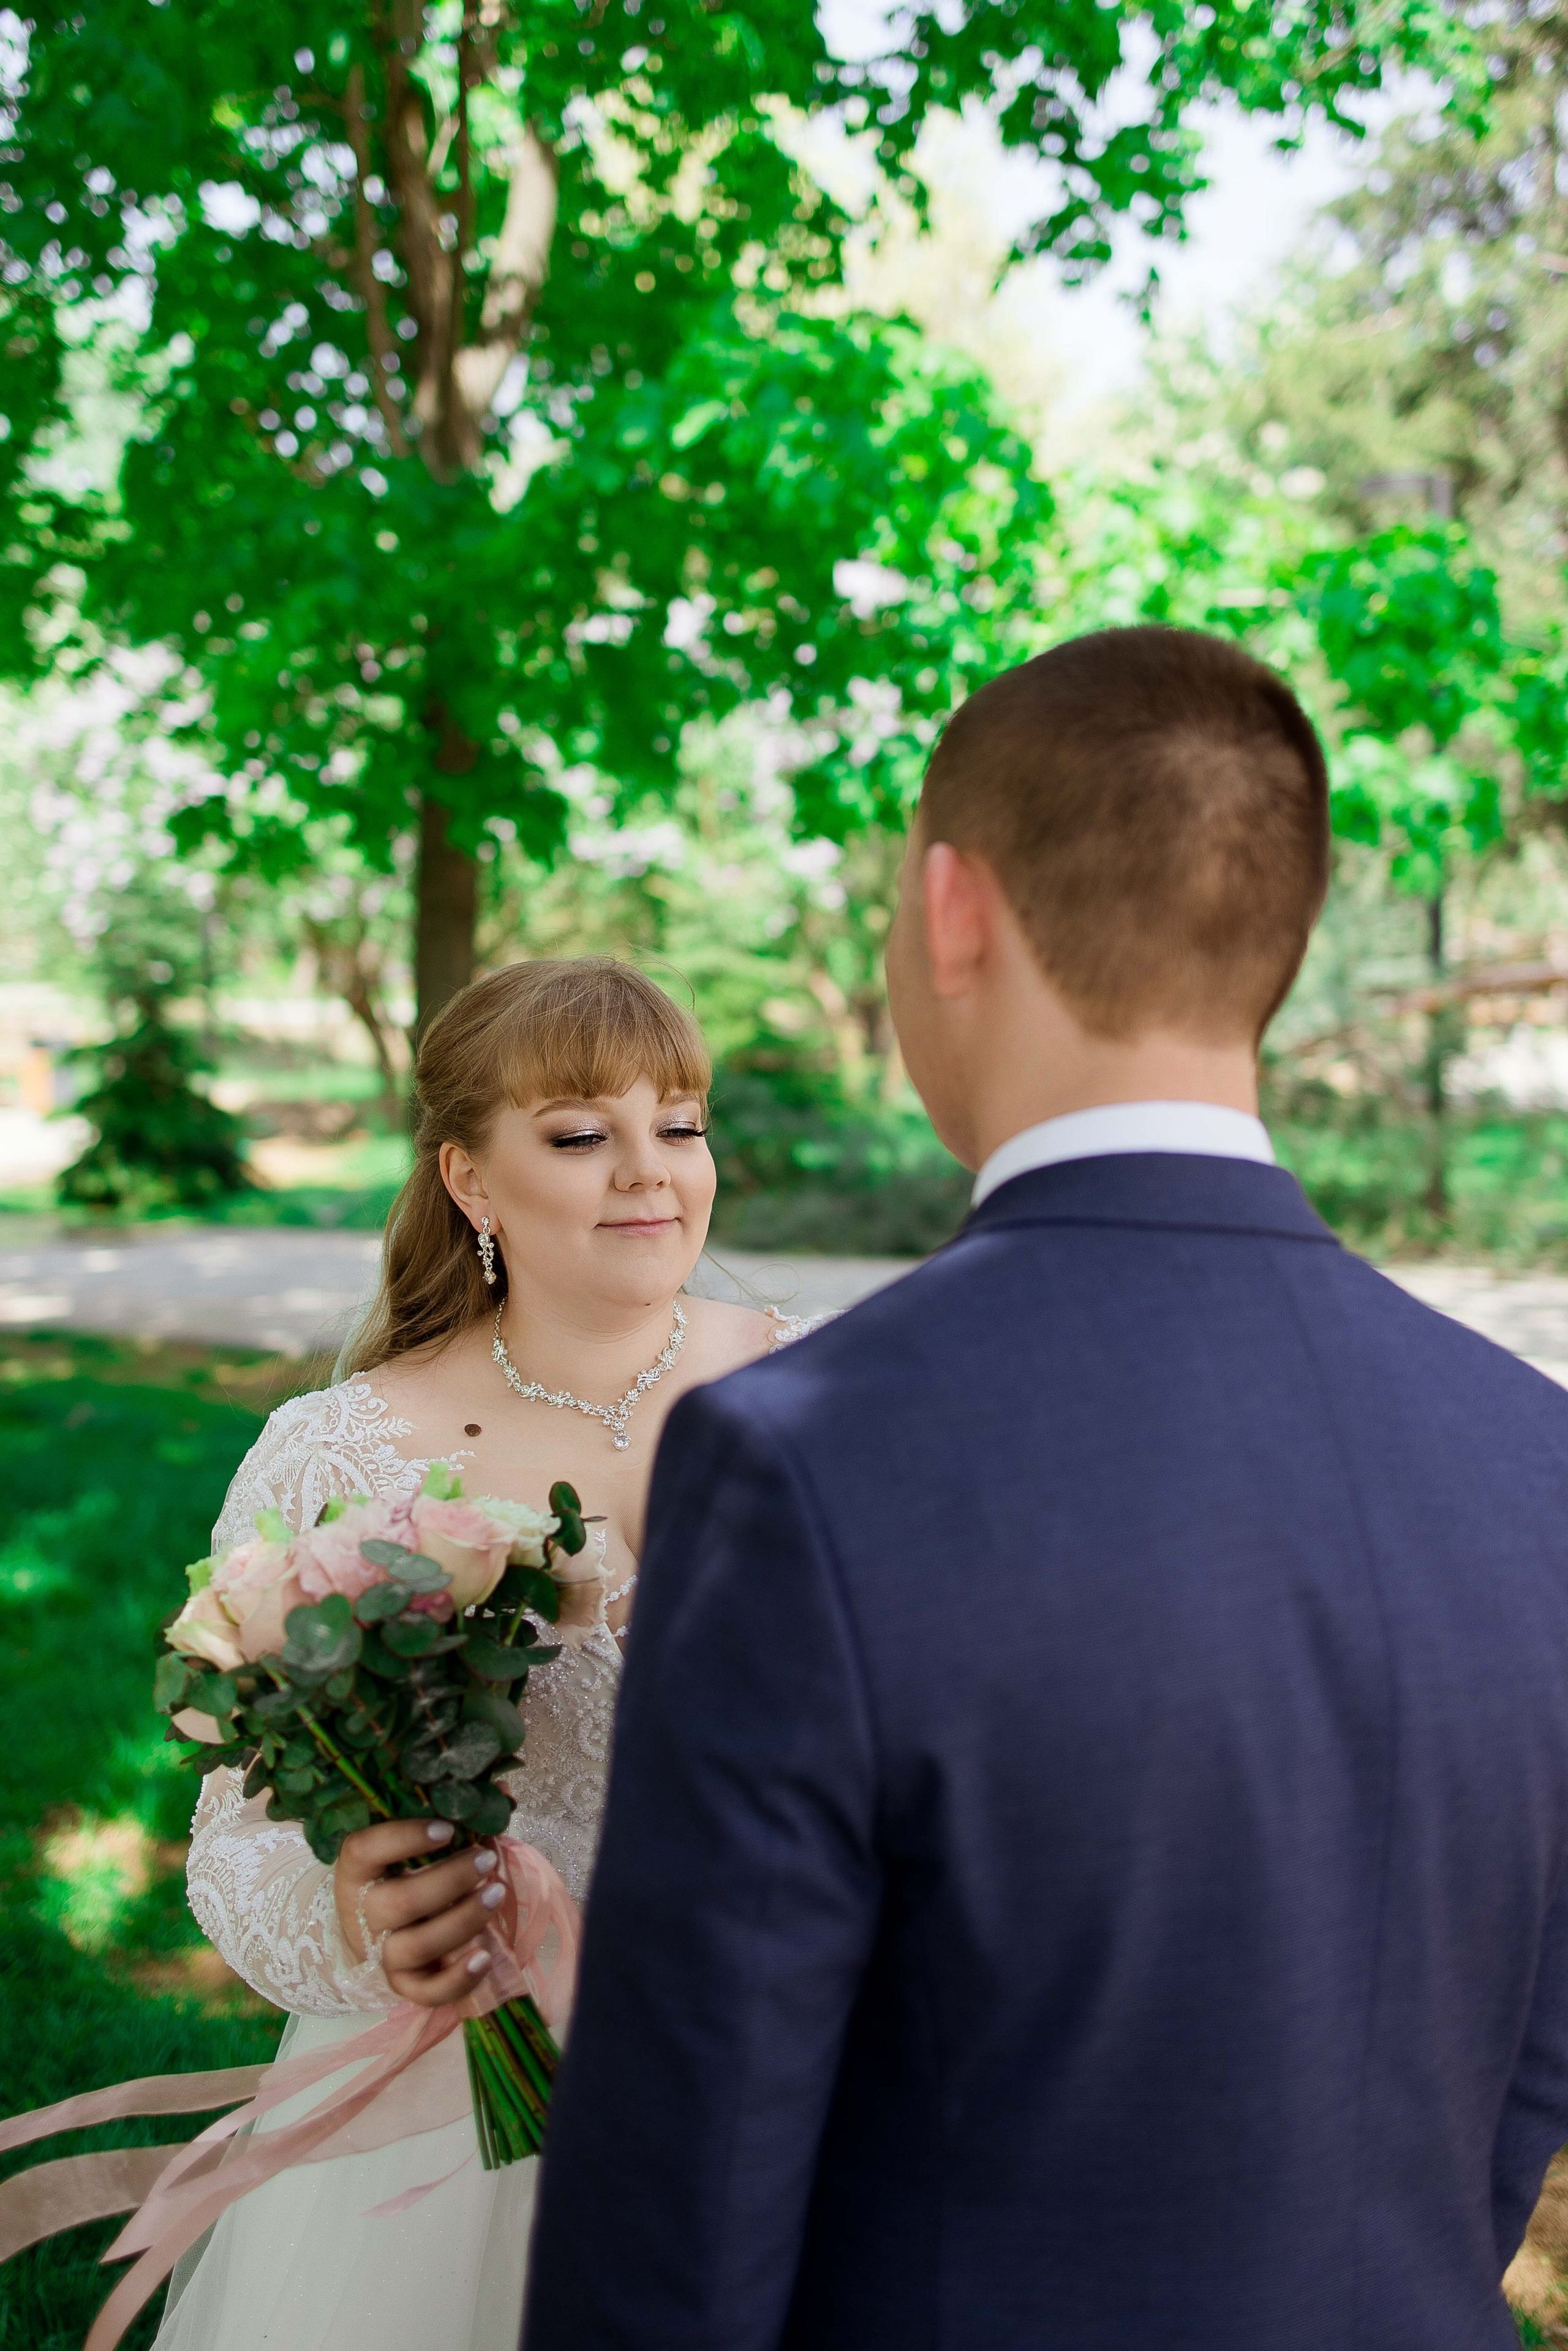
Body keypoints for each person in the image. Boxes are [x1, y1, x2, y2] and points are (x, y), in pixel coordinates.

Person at [524, 624, 1568, 2351]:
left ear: (953, 908)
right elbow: (1519, 2075)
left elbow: (682, 2209)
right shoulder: (1533, 1453)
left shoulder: (806, 1458)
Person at [156, 957, 810, 2351]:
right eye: (582, 1133)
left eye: (678, 1123)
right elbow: (230, 1838)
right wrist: (357, 1911)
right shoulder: (342, 1450)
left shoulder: (821, 1394)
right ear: (469, 1178)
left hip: (768, 2050)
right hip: (455, 2110)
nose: (650, 1171)